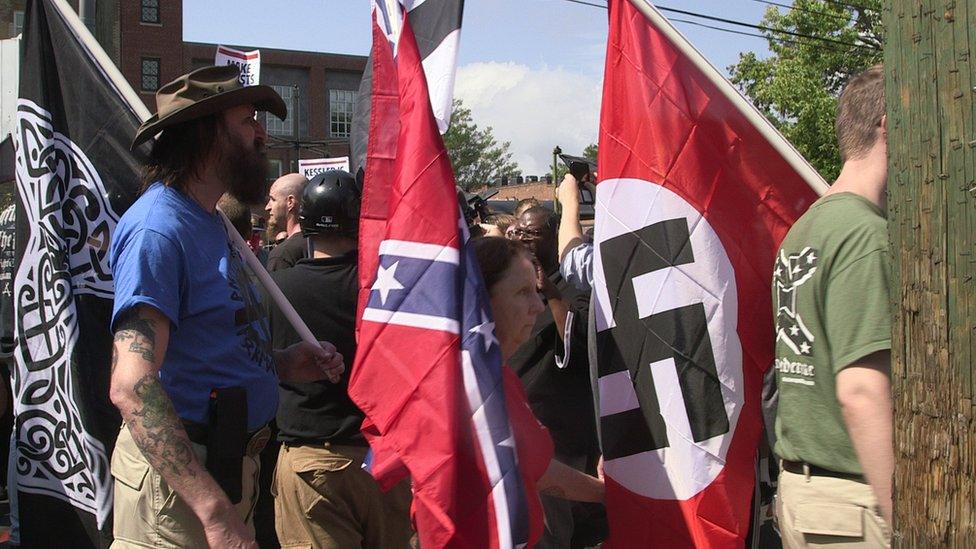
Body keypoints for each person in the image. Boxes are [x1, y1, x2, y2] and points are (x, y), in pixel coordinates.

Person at [109, 65, 344, 549]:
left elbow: (209, 345)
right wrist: (214, 513)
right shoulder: (159, 228)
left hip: (228, 466)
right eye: (248, 120)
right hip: (179, 492)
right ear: (206, 132)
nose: (262, 133)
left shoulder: (212, 221)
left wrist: (281, 365)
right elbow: (132, 384)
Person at [772, 65, 892, 547]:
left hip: (805, 497)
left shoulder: (806, 227)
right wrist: (908, 517)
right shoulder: (865, 234)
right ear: (888, 123)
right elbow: (861, 391)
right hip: (854, 505)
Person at [269, 170, 413, 548]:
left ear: (304, 223)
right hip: (385, 462)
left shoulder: (277, 289)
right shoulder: (389, 291)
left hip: (314, 464)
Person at [473, 237, 604, 509]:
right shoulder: (470, 386)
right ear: (482, 297)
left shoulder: (498, 377)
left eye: (536, 290)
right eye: (522, 292)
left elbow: (537, 468)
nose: (539, 305)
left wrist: (607, 493)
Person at [506, 208, 604, 547]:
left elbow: (576, 347)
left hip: (562, 447)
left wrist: (547, 291)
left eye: (531, 235)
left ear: (554, 237)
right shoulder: (507, 286)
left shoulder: (572, 289)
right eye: (517, 233)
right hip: (518, 436)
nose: (521, 240)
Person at [265, 173, 309, 271]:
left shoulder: (283, 255)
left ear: (290, 202)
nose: (267, 207)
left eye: (273, 199)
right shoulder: (323, 244)